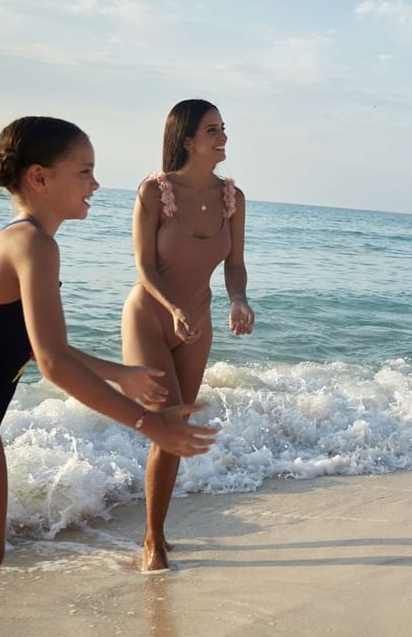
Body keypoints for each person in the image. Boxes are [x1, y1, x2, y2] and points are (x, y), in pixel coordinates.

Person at [0, 117, 218, 636]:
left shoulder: (27, 243)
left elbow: (34, 344)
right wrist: (148, 424)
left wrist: (121, 373)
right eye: (84, 172)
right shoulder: (33, 245)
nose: (95, 184)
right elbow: (53, 363)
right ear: (39, 178)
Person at [122, 99, 255, 571]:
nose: (222, 138)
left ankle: (156, 530)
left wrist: (238, 299)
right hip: (151, 316)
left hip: (196, 322)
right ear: (187, 140)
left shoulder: (232, 199)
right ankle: (152, 541)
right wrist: (173, 306)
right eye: (212, 130)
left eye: (223, 129)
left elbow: (234, 264)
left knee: (175, 433)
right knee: (170, 426)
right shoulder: (154, 192)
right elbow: (142, 265)